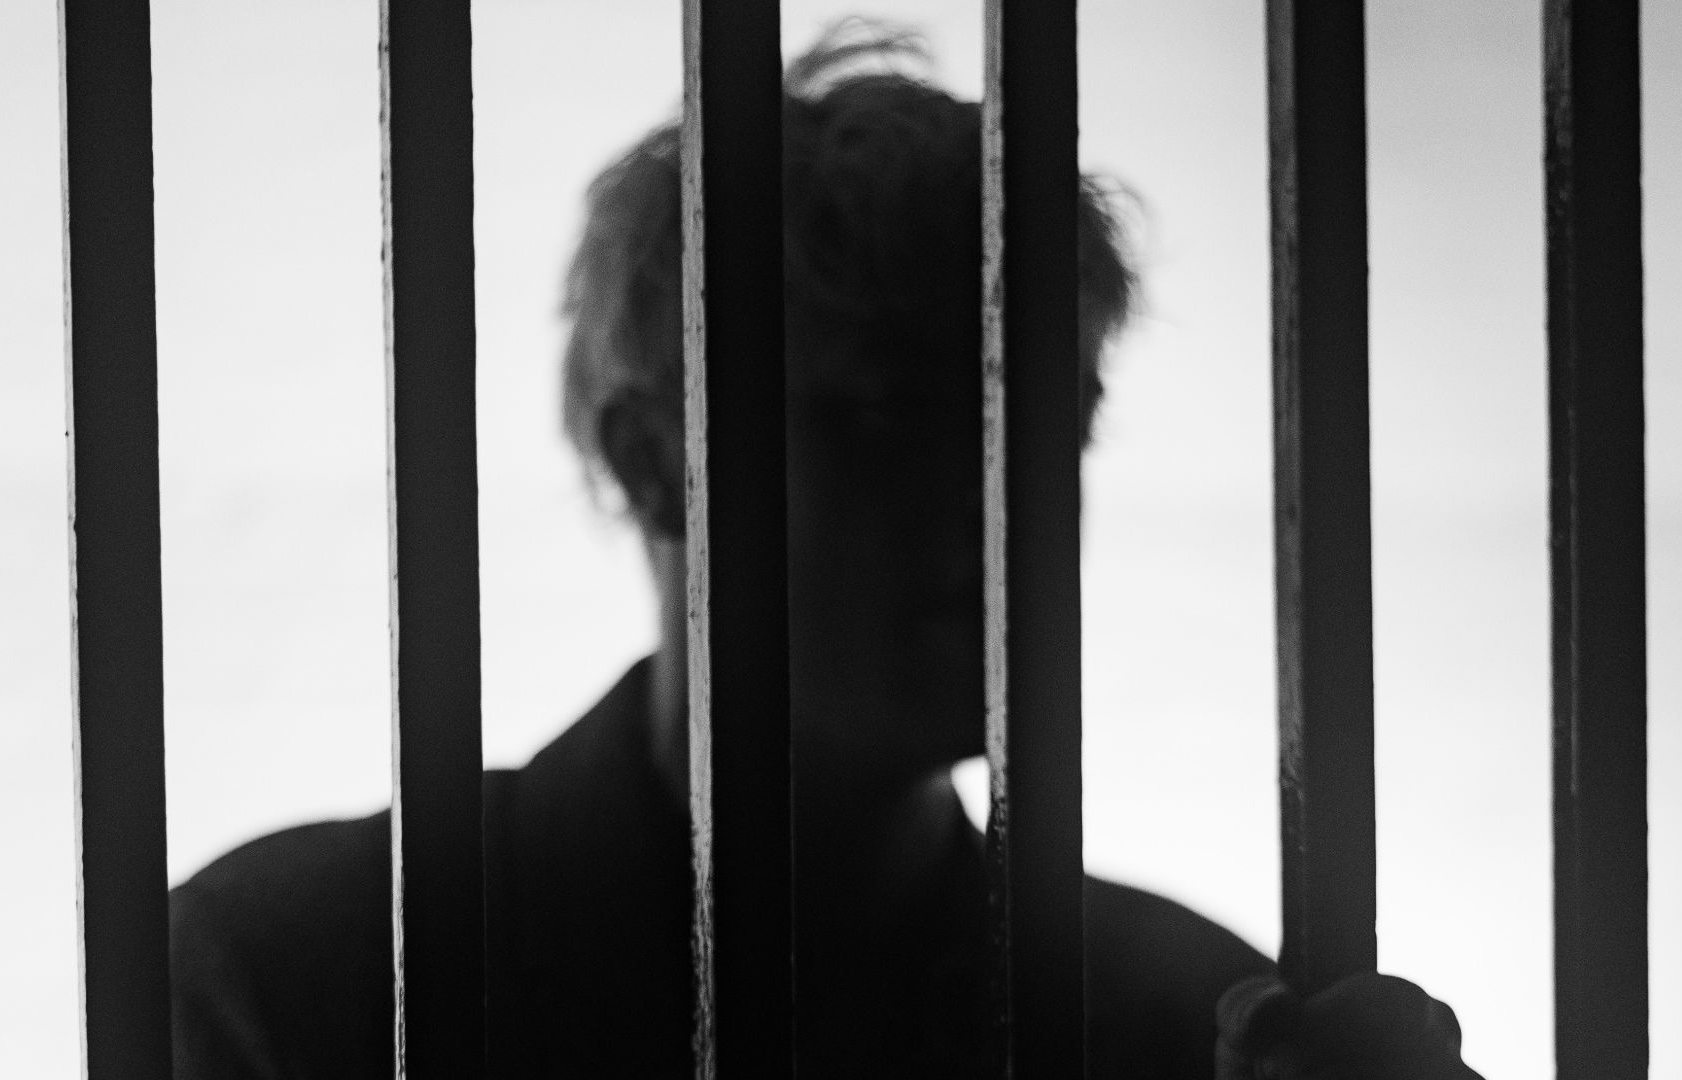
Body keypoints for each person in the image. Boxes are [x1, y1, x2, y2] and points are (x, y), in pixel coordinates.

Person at [170, 26, 1480, 1079]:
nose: (999, 503)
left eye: (1046, 431)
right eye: (883, 419)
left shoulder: (1187, 1016)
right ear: (650, 459)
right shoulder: (309, 968)